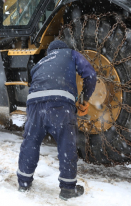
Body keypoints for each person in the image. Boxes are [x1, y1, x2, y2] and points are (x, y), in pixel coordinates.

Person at [17, 40, 97, 200]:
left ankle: (23, 182)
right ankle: (67, 188)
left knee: (30, 142)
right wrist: (84, 99)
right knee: (66, 144)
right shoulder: (70, 53)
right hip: (60, 104)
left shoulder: (40, 62)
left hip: (34, 104)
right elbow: (90, 74)